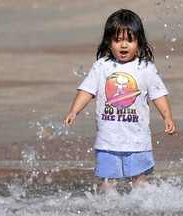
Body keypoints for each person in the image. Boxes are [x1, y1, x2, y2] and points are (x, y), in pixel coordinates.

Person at [64, 9, 176, 193]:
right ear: (109, 41)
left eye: (130, 40)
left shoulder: (145, 68)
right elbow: (86, 90)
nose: (124, 46)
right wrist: (74, 111)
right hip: (108, 141)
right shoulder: (102, 66)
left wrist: (167, 117)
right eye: (118, 40)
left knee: (139, 183)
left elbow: (158, 95)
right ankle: (105, 208)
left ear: (139, 41)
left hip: (138, 140)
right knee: (108, 184)